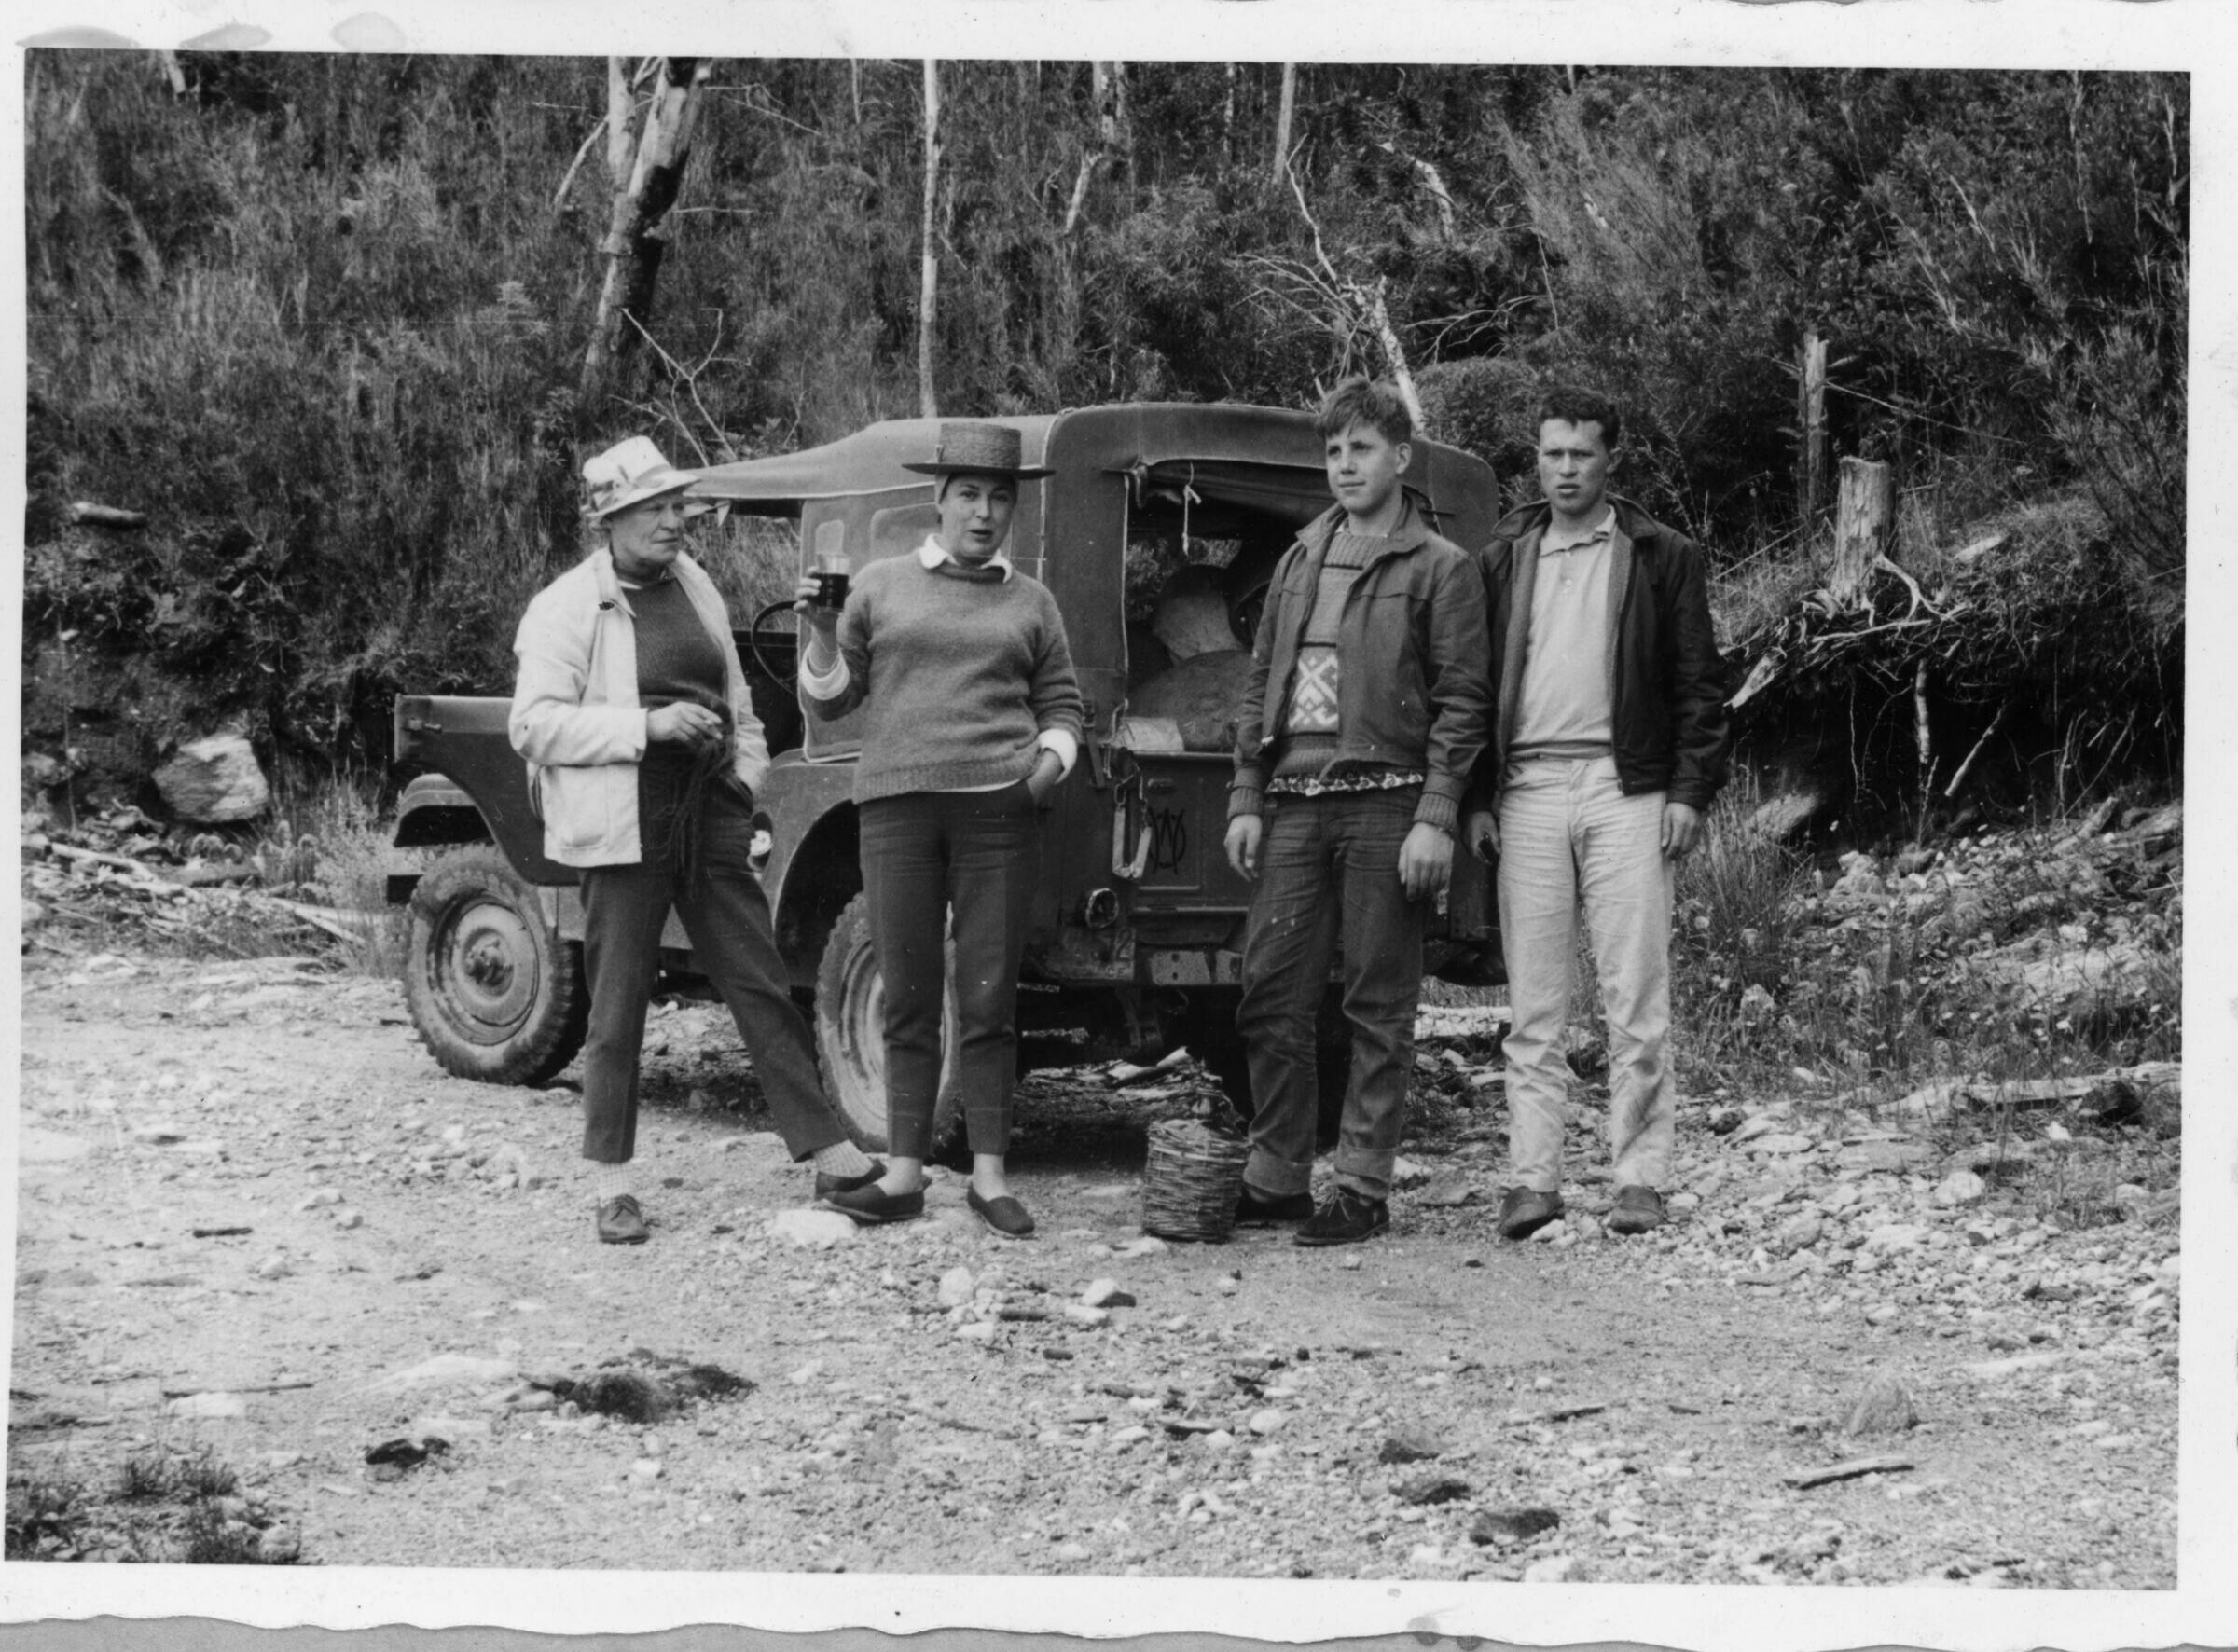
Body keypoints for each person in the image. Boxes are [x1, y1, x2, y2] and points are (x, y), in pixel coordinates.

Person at [509, 436, 884, 1245]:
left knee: (758, 980)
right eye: (657, 509)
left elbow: (739, 699)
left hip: (708, 810)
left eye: (678, 505)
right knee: (617, 1002)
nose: (676, 521)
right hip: (623, 819)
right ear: (612, 520)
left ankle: (830, 1152)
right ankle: (613, 1184)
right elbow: (533, 725)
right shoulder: (568, 606)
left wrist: (743, 779)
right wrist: (647, 726)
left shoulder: (697, 585)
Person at [1222, 378, 1493, 1246]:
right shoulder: (1301, 557)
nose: (1344, 465)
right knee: (1270, 994)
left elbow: (1464, 701)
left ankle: (1365, 1188)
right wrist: (1245, 796)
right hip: (1293, 803)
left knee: (1377, 1004)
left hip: (1386, 803)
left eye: (1362, 449)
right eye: (1333, 451)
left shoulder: (1440, 568)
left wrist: (1437, 812)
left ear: (1400, 459)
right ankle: (1277, 1177)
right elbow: (1260, 682)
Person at [796, 421, 1084, 1238]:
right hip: (894, 808)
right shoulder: (881, 586)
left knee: (989, 995)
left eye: (999, 497)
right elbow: (830, 700)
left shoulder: (1033, 601)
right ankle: (903, 1174)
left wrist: (1042, 775)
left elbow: (1062, 704)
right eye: (968, 495)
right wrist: (821, 637)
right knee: (908, 993)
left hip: (1000, 810)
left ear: (1015, 508)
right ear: (939, 500)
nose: (983, 513)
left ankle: (990, 1178)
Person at [1461, 386, 1731, 1241]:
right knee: (1535, 1007)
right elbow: (1467, 687)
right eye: (1551, 454)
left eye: (1581, 454)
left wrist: (1688, 792)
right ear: (1534, 459)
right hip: (1529, 791)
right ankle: (1533, 1180)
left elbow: (1699, 685)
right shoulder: (1504, 555)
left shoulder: (1661, 554)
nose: (1565, 469)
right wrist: (1474, 796)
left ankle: (1639, 1179)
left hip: (1628, 790)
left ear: (1611, 458)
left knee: (1635, 998)